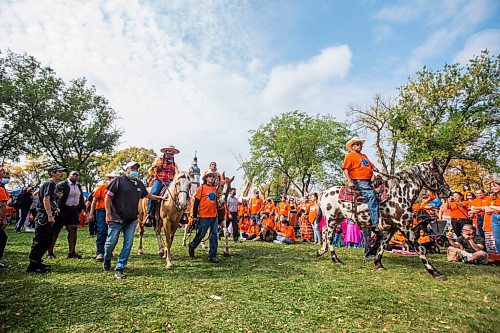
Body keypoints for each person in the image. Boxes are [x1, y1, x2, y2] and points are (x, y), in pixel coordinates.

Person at [103, 162, 163, 279]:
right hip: (116, 218)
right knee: (111, 242)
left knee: (128, 244)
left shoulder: (139, 183)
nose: (135, 170)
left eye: (136, 168)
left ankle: (120, 267)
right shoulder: (118, 181)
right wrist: (108, 213)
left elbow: (148, 195)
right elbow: (108, 196)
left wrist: (161, 198)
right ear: (126, 169)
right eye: (132, 168)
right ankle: (107, 258)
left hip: (131, 220)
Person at [26, 165, 66, 273]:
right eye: (59, 172)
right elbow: (45, 199)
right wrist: (49, 215)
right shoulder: (49, 183)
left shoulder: (53, 185)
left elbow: (49, 200)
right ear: (52, 173)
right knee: (40, 240)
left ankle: (37, 262)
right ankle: (33, 265)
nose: (61, 174)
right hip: (43, 216)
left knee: (47, 240)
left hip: (46, 214)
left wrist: (55, 208)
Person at [342, 137, 381, 229]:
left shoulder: (364, 156)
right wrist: (350, 181)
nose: (360, 146)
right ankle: (375, 223)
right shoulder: (349, 156)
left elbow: (370, 165)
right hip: (358, 181)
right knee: (371, 196)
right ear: (352, 146)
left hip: (368, 181)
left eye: (360, 144)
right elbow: (346, 169)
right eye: (357, 144)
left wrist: (375, 168)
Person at [47, 170, 86, 259]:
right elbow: (54, 197)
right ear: (69, 175)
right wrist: (55, 208)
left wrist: (83, 208)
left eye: (77, 175)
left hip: (73, 210)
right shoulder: (61, 184)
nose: (75, 176)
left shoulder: (78, 186)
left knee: (73, 230)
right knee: (55, 231)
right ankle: (50, 253)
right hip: (62, 209)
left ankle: (71, 252)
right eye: (73, 174)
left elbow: (80, 197)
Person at [188, 172, 220, 262]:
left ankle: (212, 255)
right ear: (206, 178)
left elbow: (215, 203)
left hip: (214, 216)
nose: (212, 178)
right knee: (201, 234)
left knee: (214, 235)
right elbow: (196, 203)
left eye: (213, 177)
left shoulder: (214, 189)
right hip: (204, 216)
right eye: (210, 176)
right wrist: (194, 215)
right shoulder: (201, 188)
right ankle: (192, 245)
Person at [89, 171, 119, 261]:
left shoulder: (119, 189)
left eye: (116, 178)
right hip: (101, 211)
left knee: (112, 232)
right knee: (102, 230)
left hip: (114, 211)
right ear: (109, 179)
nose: (115, 180)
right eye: (113, 178)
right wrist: (91, 213)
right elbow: (94, 201)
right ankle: (100, 252)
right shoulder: (102, 187)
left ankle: (108, 251)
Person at [146, 146, 180, 222]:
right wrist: (155, 167)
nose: (170, 154)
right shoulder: (159, 160)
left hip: (170, 182)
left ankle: (181, 215)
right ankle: (149, 214)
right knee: (153, 193)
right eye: (169, 151)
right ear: (165, 152)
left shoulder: (174, 164)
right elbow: (151, 170)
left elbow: (177, 173)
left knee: (179, 194)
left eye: (172, 152)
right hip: (159, 180)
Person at [485, 180, 500, 253]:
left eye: (495, 186)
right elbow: (487, 210)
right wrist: (496, 208)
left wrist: (492, 207)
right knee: (497, 238)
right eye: (491, 186)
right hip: (494, 218)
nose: (493, 188)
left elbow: (490, 208)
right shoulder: (491, 197)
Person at [0, 168, 11, 268]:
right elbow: (2, 205)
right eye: (2, 172)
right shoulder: (1, 189)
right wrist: (3, 219)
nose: (4, 174)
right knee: (2, 237)